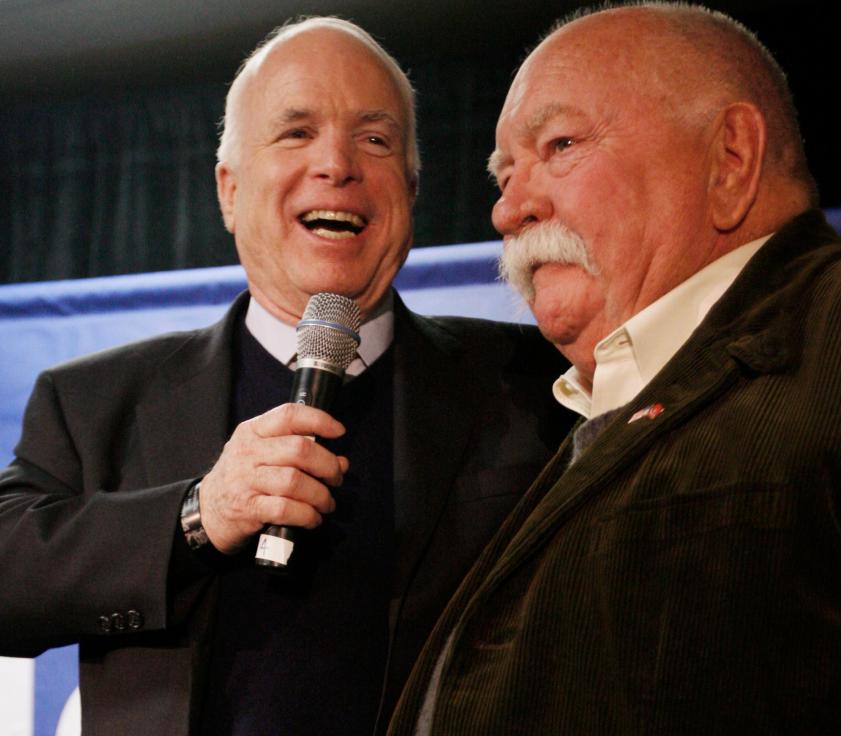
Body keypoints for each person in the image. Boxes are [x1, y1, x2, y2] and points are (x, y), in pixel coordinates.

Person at [389, 4, 841, 734]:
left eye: (560, 144)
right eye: (505, 174)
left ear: (730, 160)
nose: (509, 210)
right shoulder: (576, 422)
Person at [0, 17, 571, 735]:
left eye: (375, 139)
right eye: (296, 132)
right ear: (229, 191)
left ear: (412, 187)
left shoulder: (537, 383)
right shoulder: (93, 402)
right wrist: (198, 516)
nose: (337, 165)